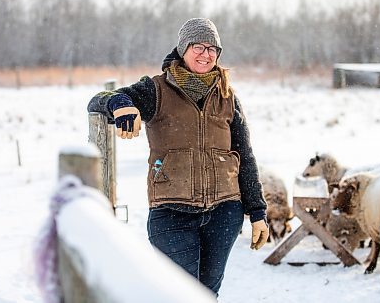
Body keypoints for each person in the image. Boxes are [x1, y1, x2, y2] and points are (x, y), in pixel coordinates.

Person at [87, 18, 269, 296]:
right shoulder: (156, 89)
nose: (206, 54)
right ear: (183, 48)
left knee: (207, 294)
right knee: (179, 295)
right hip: (171, 212)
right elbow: (100, 98)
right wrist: (121, 105)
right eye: (198, 46)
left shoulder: (227, 96)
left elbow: (244, 155)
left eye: (213, 49)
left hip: (224, 212)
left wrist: (257, 212)